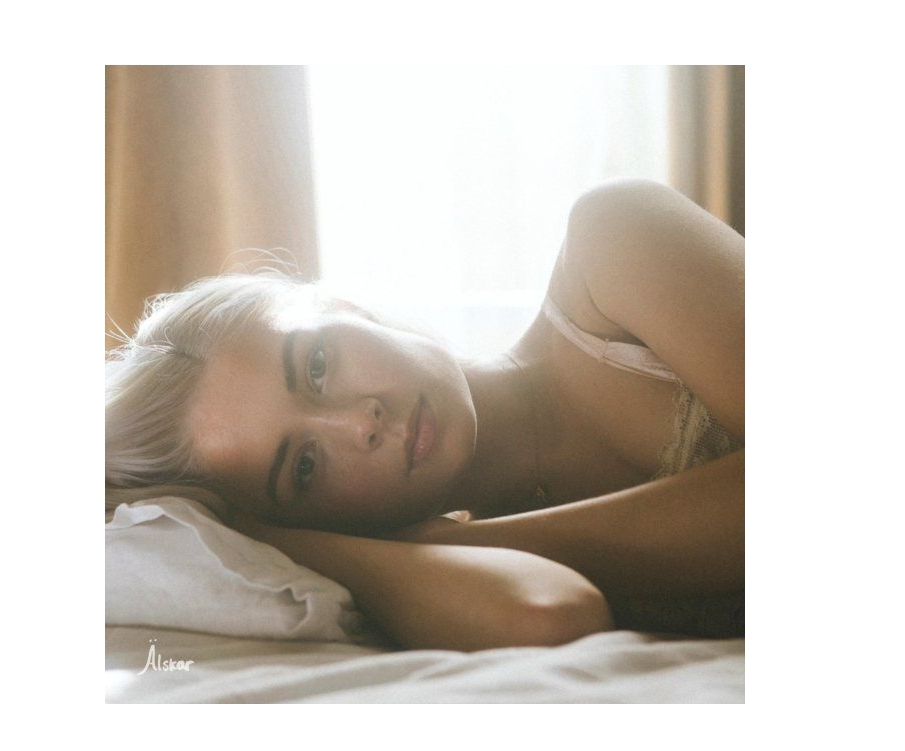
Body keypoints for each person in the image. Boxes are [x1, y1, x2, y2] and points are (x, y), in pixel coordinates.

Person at [106, 178, 744, 651]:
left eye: (318, 365)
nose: (360, 424)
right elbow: (550, 615)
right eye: (303, 467)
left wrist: (450, 543)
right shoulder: (435, 577)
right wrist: (301, 546)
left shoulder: (612, 242)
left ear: (343, 306)